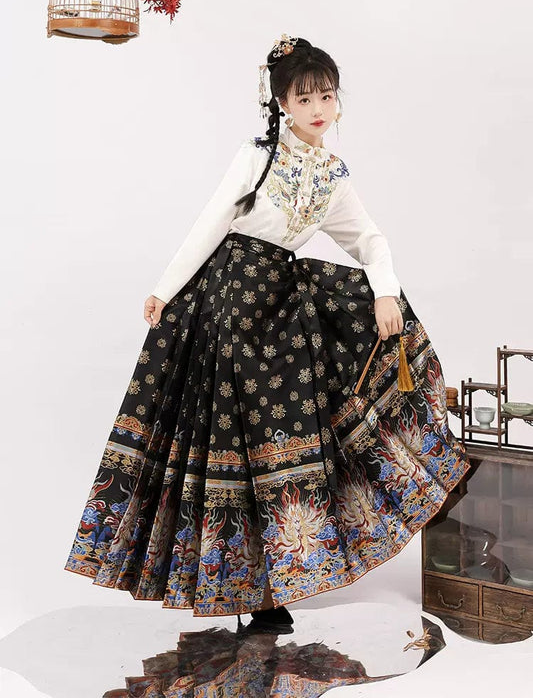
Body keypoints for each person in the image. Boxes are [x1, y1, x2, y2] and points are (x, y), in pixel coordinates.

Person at [64, 34, 470, 635]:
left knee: (281, 443)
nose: (318, 108)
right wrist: (166, 288)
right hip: (229, 305)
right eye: (304, 98)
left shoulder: (331, 175)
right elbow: (212, 223)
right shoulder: (256, 157)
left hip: (281, 311)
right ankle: (245, 592)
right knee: (231, 446)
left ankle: (277, 577)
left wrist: (384, 289)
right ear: (281, 103)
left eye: (326, 95)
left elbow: (369, 239)